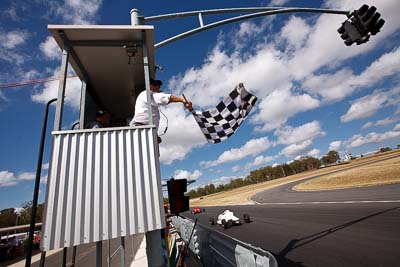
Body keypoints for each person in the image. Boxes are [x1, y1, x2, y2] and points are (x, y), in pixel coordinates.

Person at [130, 78, 192, 143]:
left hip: (143, 129)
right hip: (141, 129)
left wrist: (155, 136)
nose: (158, 87)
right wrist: (183, 100)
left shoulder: (148, 98)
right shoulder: (148, 94)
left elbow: (148, 118)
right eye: (155, 85)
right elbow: (164, 98)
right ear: (150, 86)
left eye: (159, 86)